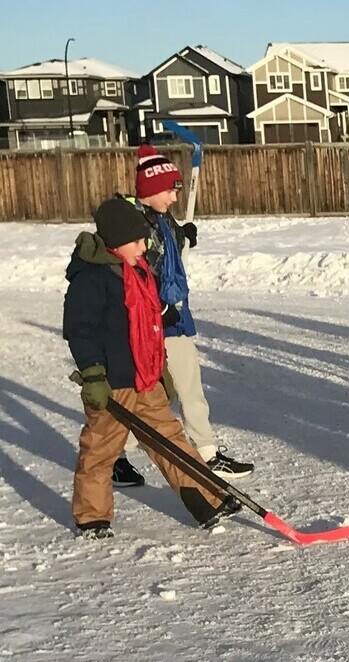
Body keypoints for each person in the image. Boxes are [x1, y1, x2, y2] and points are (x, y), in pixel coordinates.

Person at [64, 198, 241, 538]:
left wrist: (163, 317)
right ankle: (92, 517)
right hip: (112, 384)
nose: (144, 246)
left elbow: (145, 310)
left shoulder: (135, 268)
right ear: (115, 242)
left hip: (145, 378)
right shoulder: (92, 279)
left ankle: (207, 500)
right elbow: (80, 330)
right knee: (100, 451)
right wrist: (93, 374)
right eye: (137, 240)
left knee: (171, 441)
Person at [108, 143, 254, 487]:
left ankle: (206, 452)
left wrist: (184, 238)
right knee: (150, 393)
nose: (174, 197)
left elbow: (169, 259)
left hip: (175, 316)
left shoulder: (162, 219)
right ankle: (115, 455)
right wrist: (157, 310)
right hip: (152, 321)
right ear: (149, 190)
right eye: (168, 190)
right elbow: (138, 272)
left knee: (186, 384)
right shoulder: (133, 225)